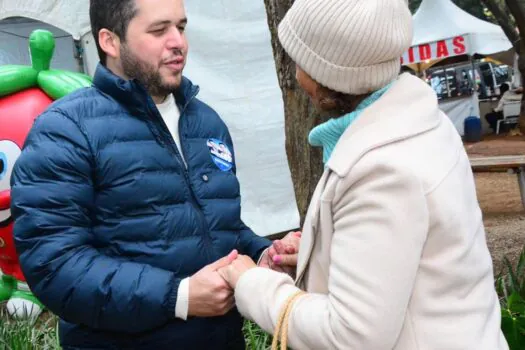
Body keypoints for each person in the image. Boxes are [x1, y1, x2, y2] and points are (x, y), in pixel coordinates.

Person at [218, 0, 509, 349]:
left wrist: (251, 283)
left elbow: (352, 336)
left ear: (325, 76)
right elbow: (404, 258)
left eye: (300, 58)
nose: (295, 72)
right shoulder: (419, 123)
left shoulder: (381, 170)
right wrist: (321, 250)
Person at [10, 0, 298, 349]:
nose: (179, 41)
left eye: (181, 27)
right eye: (159, 30)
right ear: (109, 41)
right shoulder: (65, 131)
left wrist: (265, 254)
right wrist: (178, 296)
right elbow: (55, 265)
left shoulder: (205, 122)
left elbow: (218, 227)